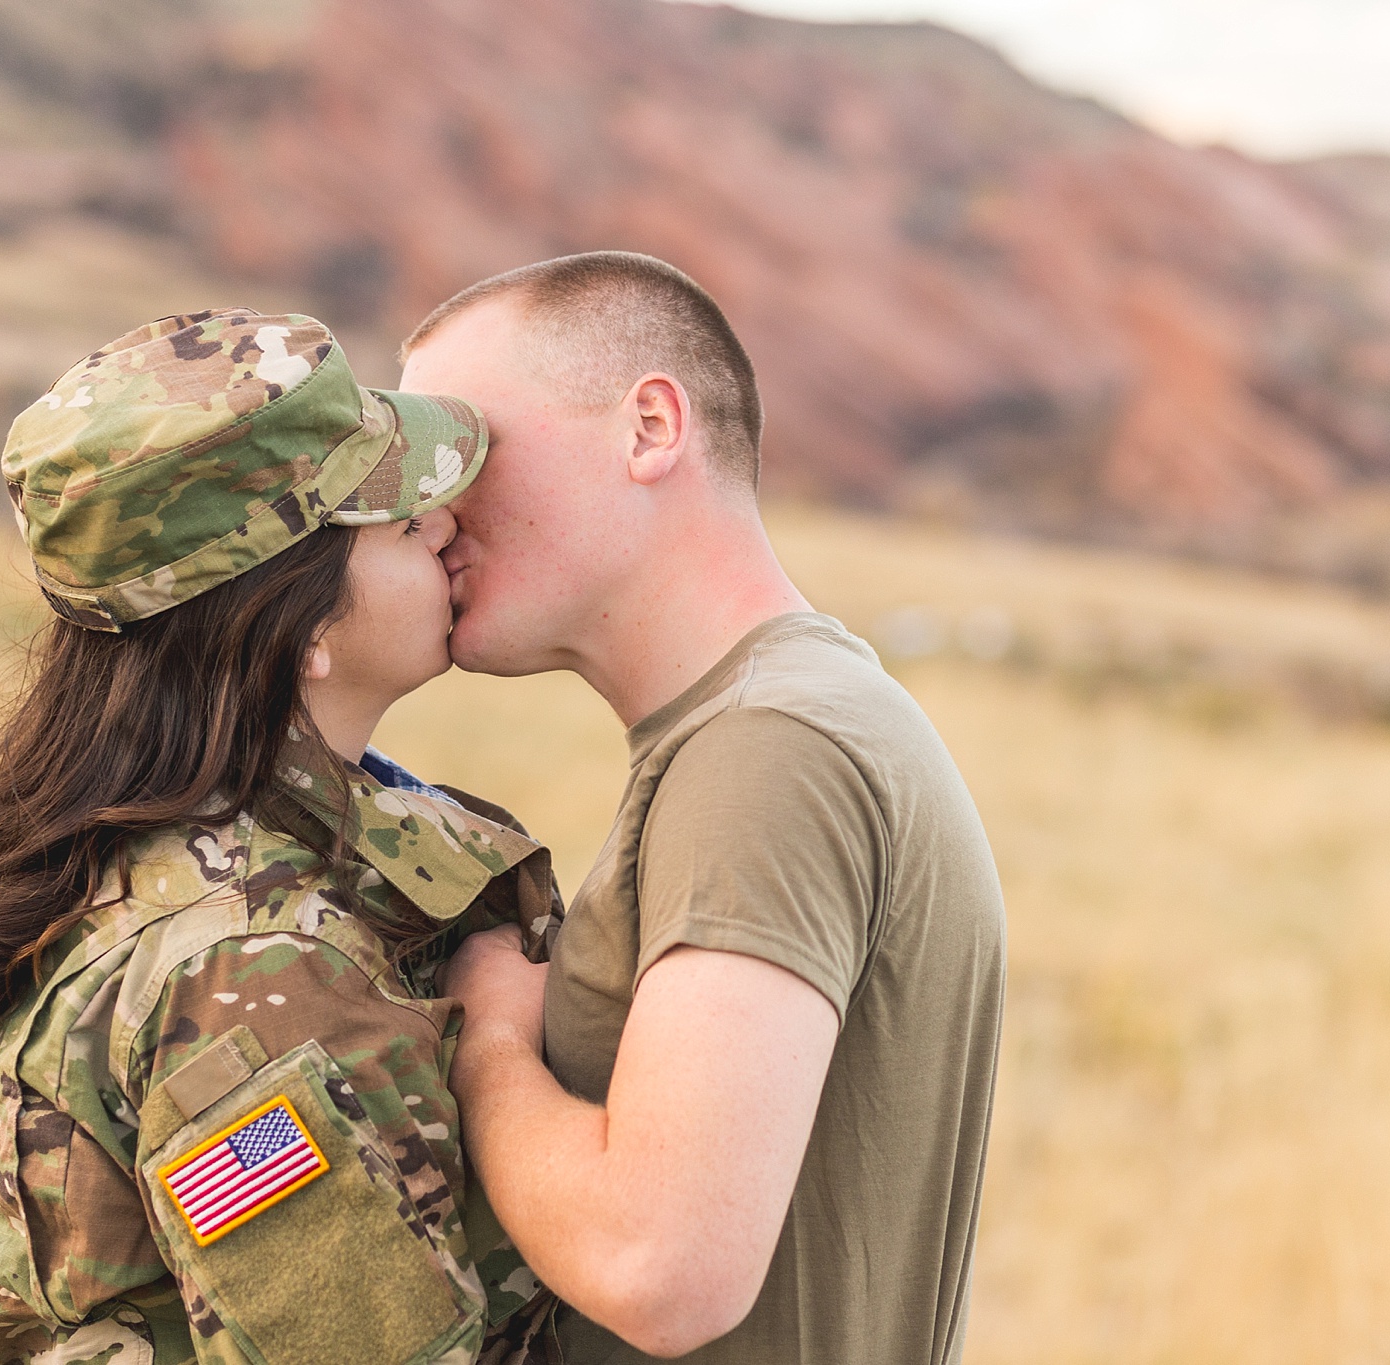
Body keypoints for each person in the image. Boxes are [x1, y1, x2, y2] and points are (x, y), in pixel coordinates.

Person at [0, 308, 560, 1365]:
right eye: (399, 525)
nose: (442, 527)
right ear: (300, 628)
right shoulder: (251, 977)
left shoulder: (212, 855)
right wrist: (496, 1041)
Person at [403, 253, 1008, 1365]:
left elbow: (660, 1267)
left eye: (466, 449)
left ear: (648, 428)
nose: (431, 517)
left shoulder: (769, 748)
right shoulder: (778, 722)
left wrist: (487, 1039)